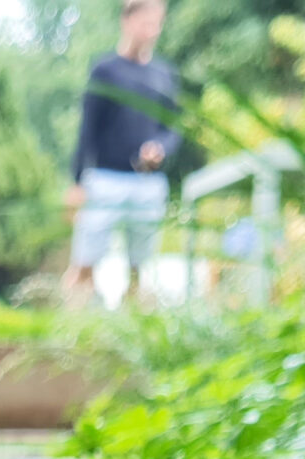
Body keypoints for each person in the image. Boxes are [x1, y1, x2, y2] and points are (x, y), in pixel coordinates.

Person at [65, 0, 178, 307]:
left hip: (148, 183)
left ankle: (134, 323)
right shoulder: (105, 70)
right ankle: (77, 324)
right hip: (104, 178)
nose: (152, 30)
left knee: (141, 266)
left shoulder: (164, 74)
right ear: (127, 21)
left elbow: (172, 128)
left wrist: (161, 149)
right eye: (146, 22)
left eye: (157, 23)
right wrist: (77, 182)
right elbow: (87, 128)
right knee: (86, 260)